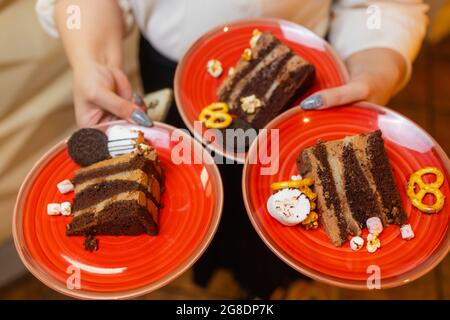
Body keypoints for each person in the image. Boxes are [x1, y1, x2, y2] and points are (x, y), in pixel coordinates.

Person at [36, 0, 428, 298]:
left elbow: (385, 6)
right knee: (187, 210)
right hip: (175, 82)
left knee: (285, 233)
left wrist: (373, 76)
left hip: (309, 93)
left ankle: (266, 287)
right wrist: (93, 61)